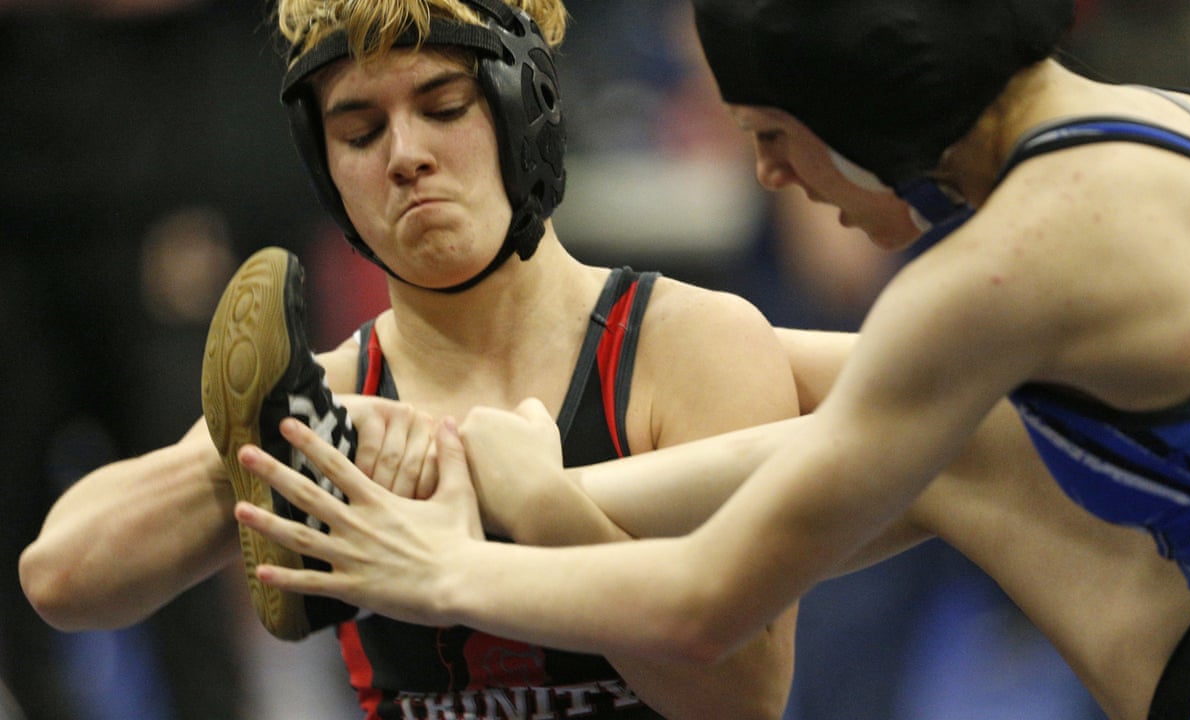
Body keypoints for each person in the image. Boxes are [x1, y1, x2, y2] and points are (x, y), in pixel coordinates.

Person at [216, 0, 1190, 719]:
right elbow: (874, 382)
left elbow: (702, 609)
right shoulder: (1161, 126)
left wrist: (437, 567)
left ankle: (413, 512)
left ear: (854, 101)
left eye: (772, 136)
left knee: (956, 453)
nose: (769, 174)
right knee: (967, 444)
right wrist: (471, 454)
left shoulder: (991, 280)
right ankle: (450, 485)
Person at [17, 1, 802, 718]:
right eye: (359, 133)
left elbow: (743, 701)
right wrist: (287, 440)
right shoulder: (334, 392)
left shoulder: (688, 346)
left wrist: (543, 511)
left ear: (526, 106)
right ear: (324, 169)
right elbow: (61, 578)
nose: (404, 155)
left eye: (444, 107)